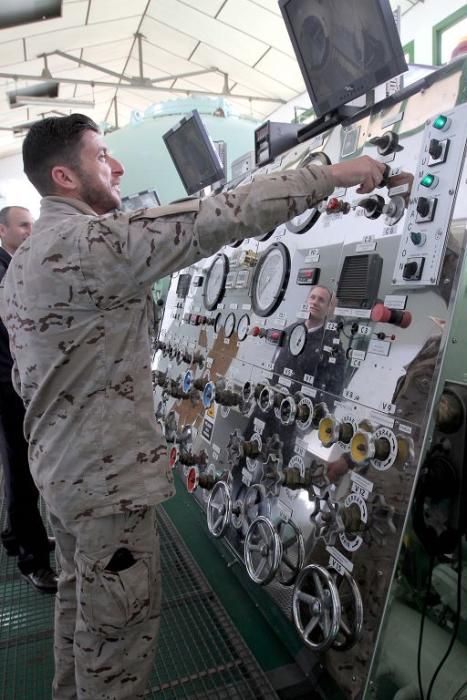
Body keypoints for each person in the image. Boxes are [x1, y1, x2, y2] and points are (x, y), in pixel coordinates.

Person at [0, 113, 386, 700]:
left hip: (58, 476)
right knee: (119, 652)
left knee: (80, 618)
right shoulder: (95, 244)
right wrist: (333, 173)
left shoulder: (22, 263)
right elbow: (220, 216)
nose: (119, 165)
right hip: (110, 492)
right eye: (103, 155)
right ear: (65, 176)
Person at [0, 206, 57, 593]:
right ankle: (32, 560)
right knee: (23, 474)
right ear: (2, 230)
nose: (29, 231)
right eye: (23, 225)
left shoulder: (13, 266)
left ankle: (15, 537)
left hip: (16, 383)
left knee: (19, 470)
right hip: (8, 388)